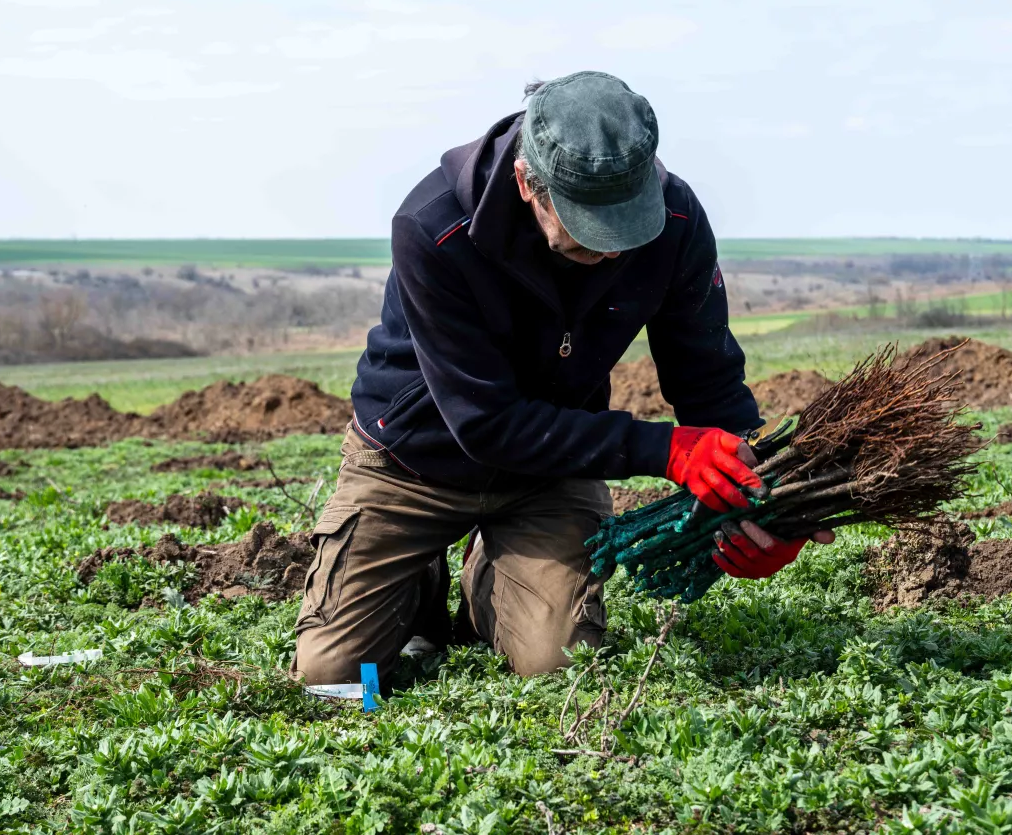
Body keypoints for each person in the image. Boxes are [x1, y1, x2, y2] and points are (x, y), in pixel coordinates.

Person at [292, 71, 832, 683]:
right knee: (333, 683)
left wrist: (765, 503)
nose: (610, 254)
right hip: (413, 463)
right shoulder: (432, 227)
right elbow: (486, 422)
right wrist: (668, 452)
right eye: (588, 236)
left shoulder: (676, 220)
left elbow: (706, 375)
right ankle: (415, 576)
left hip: (548, 471)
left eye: (628, 230)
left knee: (557, 667)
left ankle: (489, 581)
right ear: (528, 184)